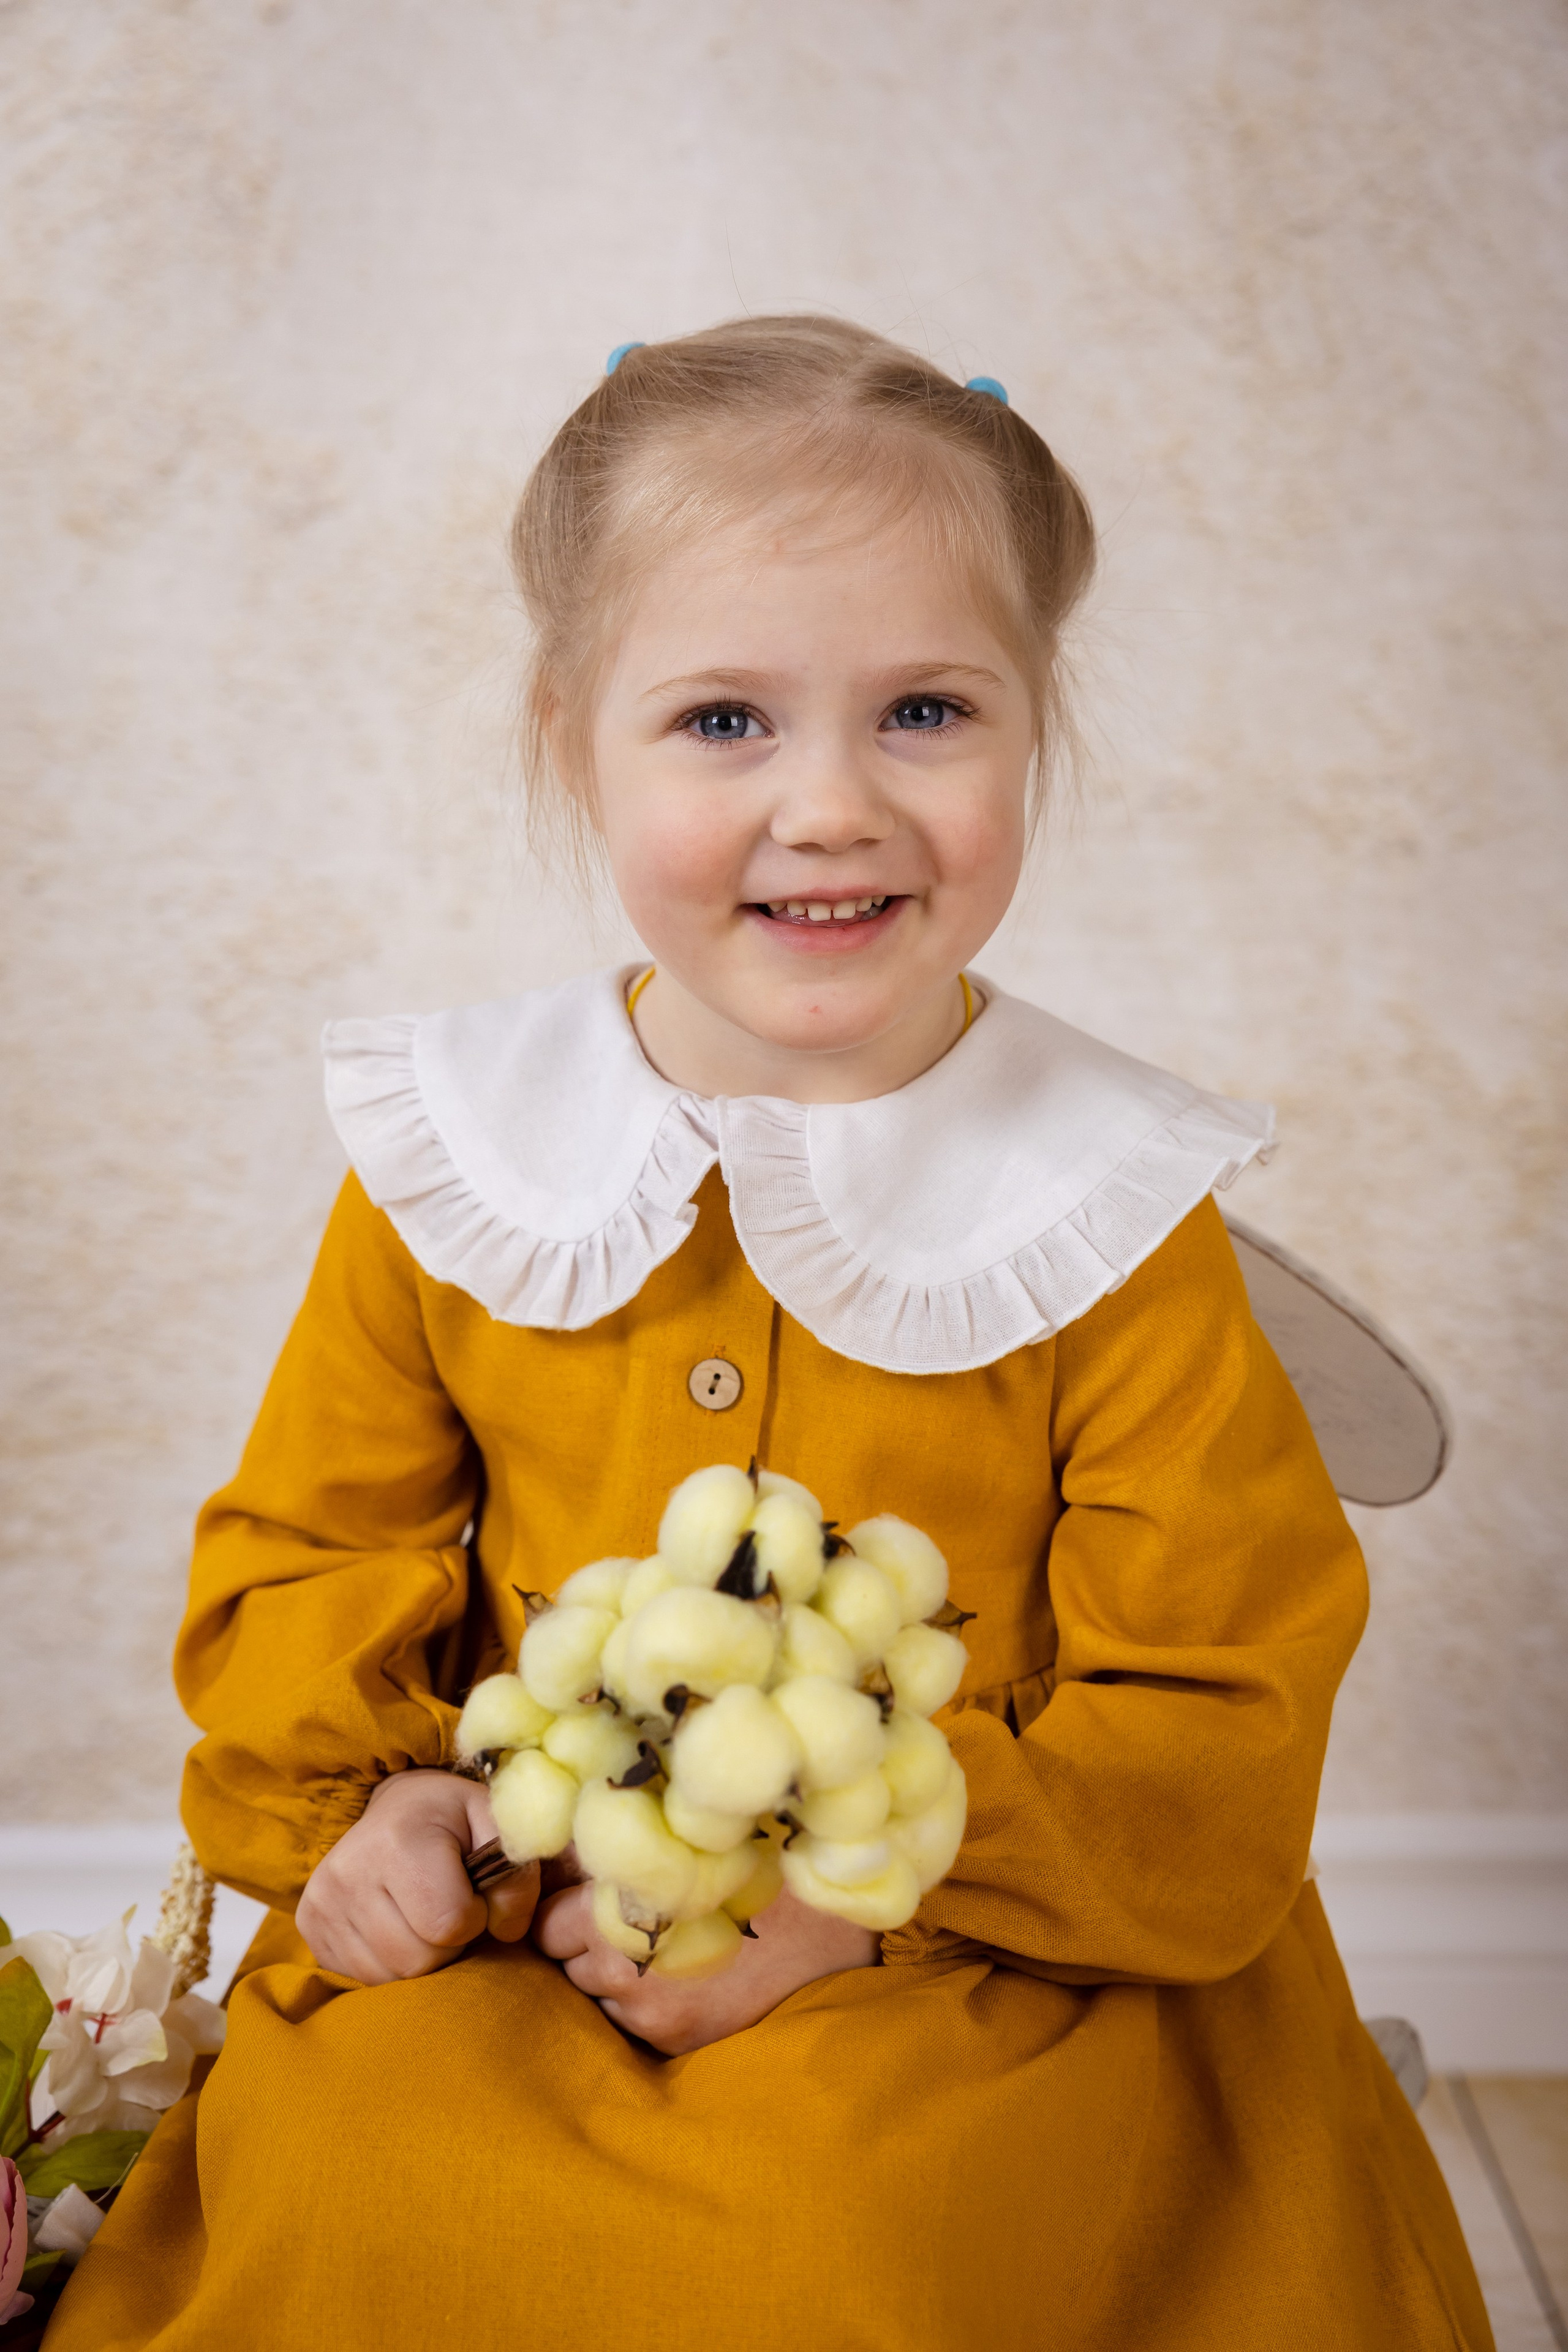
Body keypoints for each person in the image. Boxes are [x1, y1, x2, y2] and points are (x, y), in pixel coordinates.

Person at [48, 317, 1491, 2350]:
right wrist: (378, 1813)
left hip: (984, 1947)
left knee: (848, 2252)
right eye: (725, 721)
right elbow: (308, 1551)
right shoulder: (458, 1165)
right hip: (530, 1932)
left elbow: (1214, 1701)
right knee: (375, 2170)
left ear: (1035, 730)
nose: (831, 808)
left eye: (924, 710)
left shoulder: (1113, 1214)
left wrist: (853, 1905)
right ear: (577, 742)